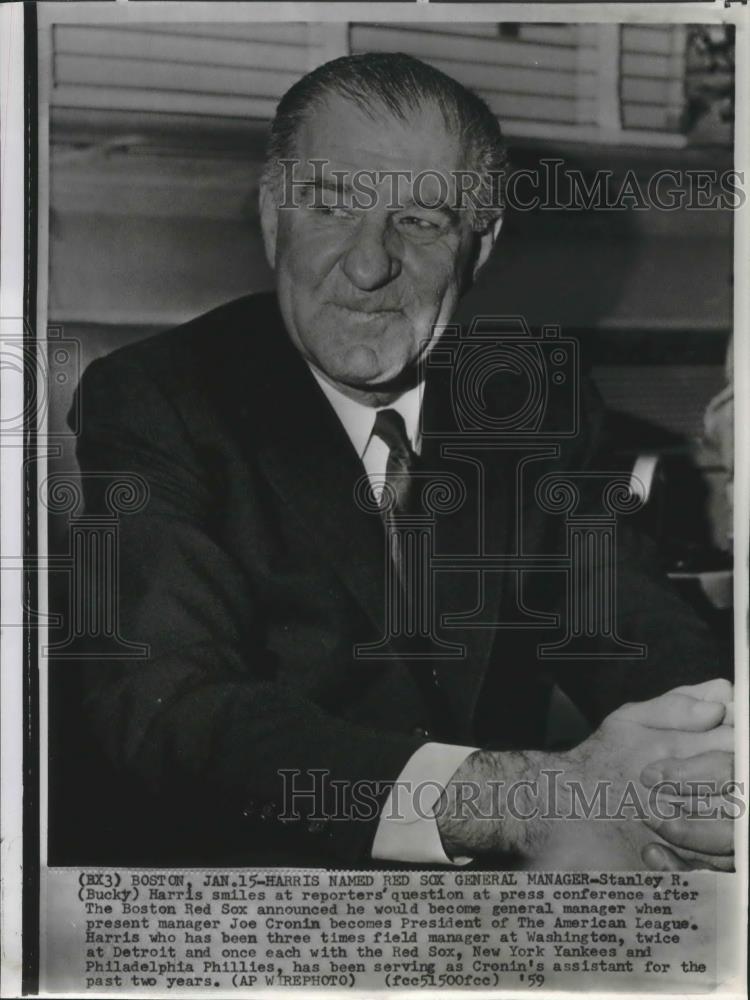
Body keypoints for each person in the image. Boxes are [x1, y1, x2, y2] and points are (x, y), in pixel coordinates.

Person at [61, 53, 733, 870]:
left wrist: (714, 757)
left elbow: (633, 628)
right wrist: (525, 800)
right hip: (247, 905)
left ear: (479, 247)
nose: (370, 264)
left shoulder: (533, 406)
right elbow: (167, 708)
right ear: (274, 216)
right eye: (331, 206)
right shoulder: (158, 398)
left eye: (419, 221)